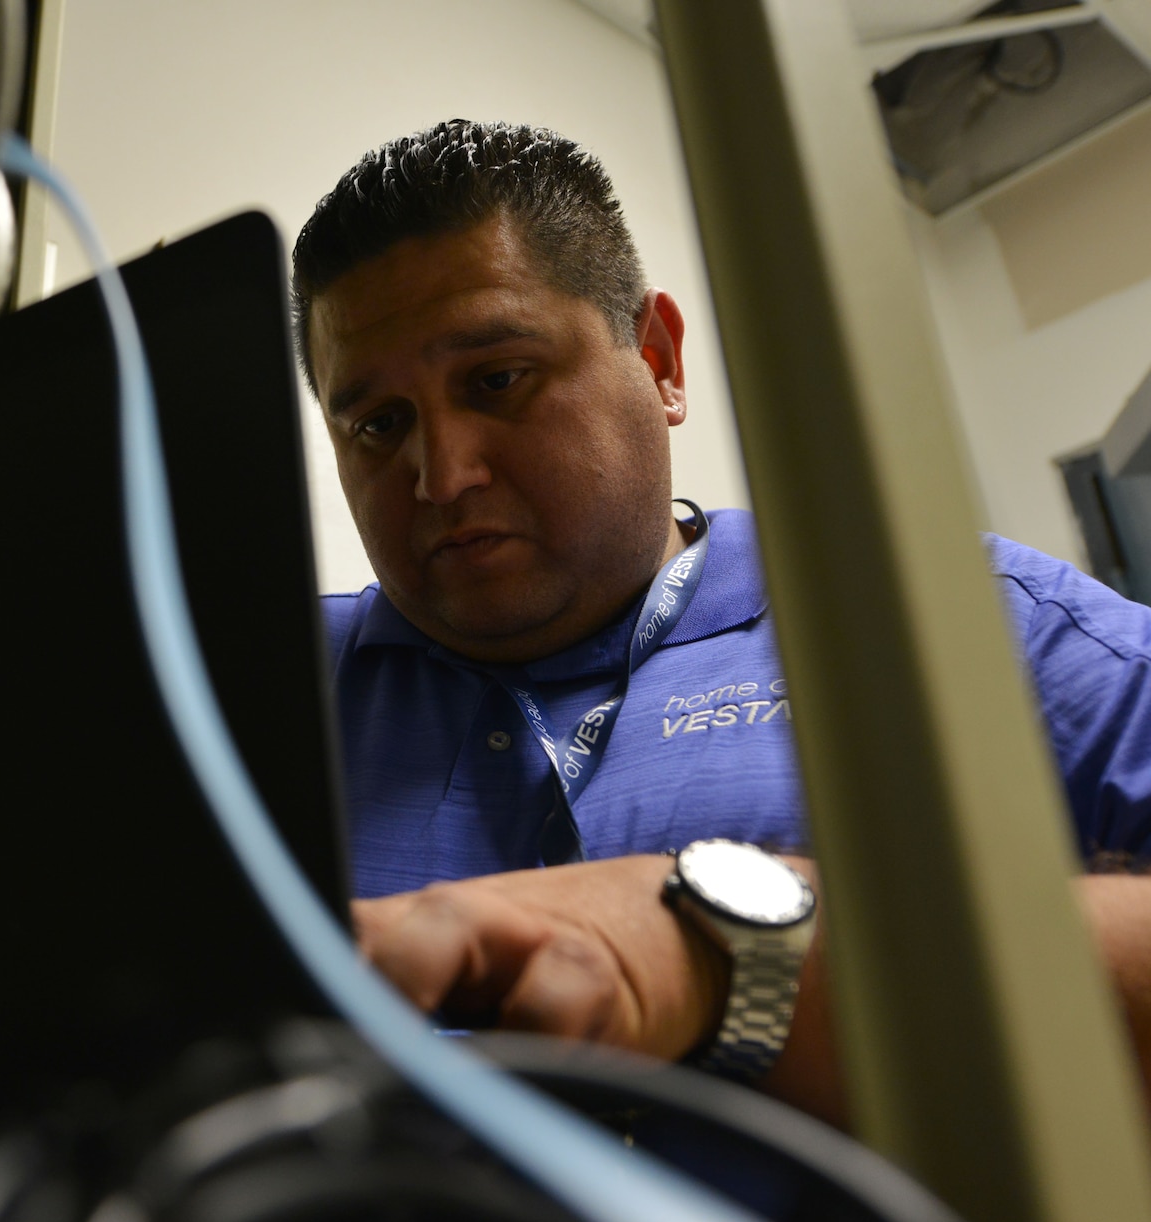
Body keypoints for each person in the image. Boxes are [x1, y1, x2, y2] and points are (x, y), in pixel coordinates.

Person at [294, 118, 1151, 1124]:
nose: (440, 476)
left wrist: (732, 959)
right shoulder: (266, 694)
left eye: (495, 380)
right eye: (377, 425)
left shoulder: (950, 629)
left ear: (657, 360)